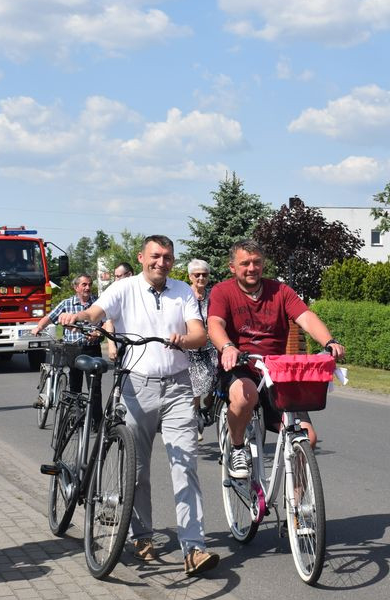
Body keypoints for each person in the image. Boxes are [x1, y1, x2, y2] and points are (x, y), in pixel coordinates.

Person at [58, 236, 220, 576]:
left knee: (185, 463)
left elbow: (199, 334)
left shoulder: (182, 291)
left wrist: (184, 340)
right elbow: (96, 311)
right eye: (155, 256)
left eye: (168, 257)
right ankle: (141, 536)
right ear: (141, 257)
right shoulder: (124, 289)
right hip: (137, 384)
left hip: (178, 386)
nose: (161, 262)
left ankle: (194, 547)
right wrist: (79, 316)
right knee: (138, 467)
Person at [207, 239, 345, 478]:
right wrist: (228, 347)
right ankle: (238, 447)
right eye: (245, 263)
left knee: (307, 438)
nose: (252, 268)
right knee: (245, 395)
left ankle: (300, 505)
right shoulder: (222, 291)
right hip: (241, 366)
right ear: (232, 267)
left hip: (276, 372)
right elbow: (215, 324)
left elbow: (306, 317)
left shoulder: (280, 291)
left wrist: (329, 341)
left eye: (257, 262)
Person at [32, 274, 100, 394]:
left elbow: (107, 322)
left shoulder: (98, 304)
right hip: (72, 349)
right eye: (84, 284)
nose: (87, 287)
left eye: (90, 284)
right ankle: (75, 412)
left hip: (92, 349)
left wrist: (97, 332)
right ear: (76, 287)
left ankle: (94, 413)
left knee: (94, 388)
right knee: (74, 387)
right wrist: (39, 327)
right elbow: (49, 317)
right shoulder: (66, 303)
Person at [186, 259, 217, 441]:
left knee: (215, 381)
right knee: (195, 386)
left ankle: (210, 402)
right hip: (191, 349)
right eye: (197, 275)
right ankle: (196, 420)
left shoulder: (212, 296)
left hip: (211, 347)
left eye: (204, 274)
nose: (201, 278)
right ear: (190, 276)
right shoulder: (185, 296)